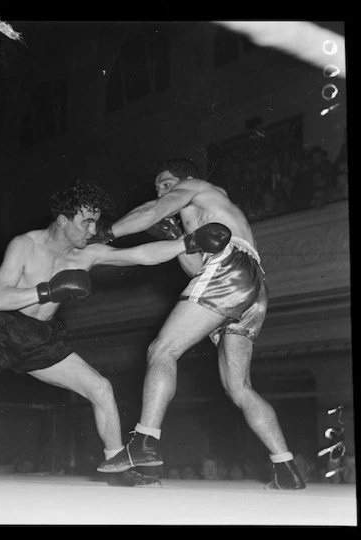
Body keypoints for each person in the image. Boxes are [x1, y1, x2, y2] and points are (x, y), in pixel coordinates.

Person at [0, 179, 230, 486]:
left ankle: (117, 463)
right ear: (62, 218)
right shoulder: (25, 244)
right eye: (85, 222)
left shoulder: (86, 254)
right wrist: (49, 291)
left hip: (40, 337)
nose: (91, 230)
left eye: (94, 223)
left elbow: (139, 256)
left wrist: (189, 243)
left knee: (100, 388)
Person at [93, 158, 306, 490]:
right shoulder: (204, 215)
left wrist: (105, 233)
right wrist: (178, 237)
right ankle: (286, 468)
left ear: (185, 178)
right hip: (252, 286)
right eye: (160, 186)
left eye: (166, 183)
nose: (164, 191)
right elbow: (197, 271)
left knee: (162, 350)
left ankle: (145, 440)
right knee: (239, 387)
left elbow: (150, 212)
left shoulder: (196, 188)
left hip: (229, 268)